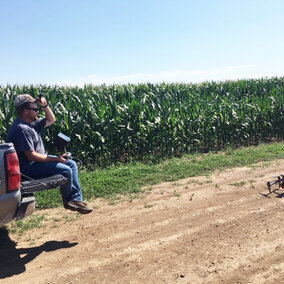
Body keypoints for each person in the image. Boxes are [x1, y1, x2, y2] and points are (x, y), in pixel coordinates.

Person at [7, 94, 93, 214]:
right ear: (26, 111)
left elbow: (51, 120)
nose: (38, 111)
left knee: (71, 163)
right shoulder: (21, 128)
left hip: (37, 162)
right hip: (28, 167)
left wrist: (45, 106)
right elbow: (31, 156)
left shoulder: (32, 123)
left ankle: (75, 199)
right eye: (35, 109)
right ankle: (69, 201)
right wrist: (56, 159)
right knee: (66, 170)